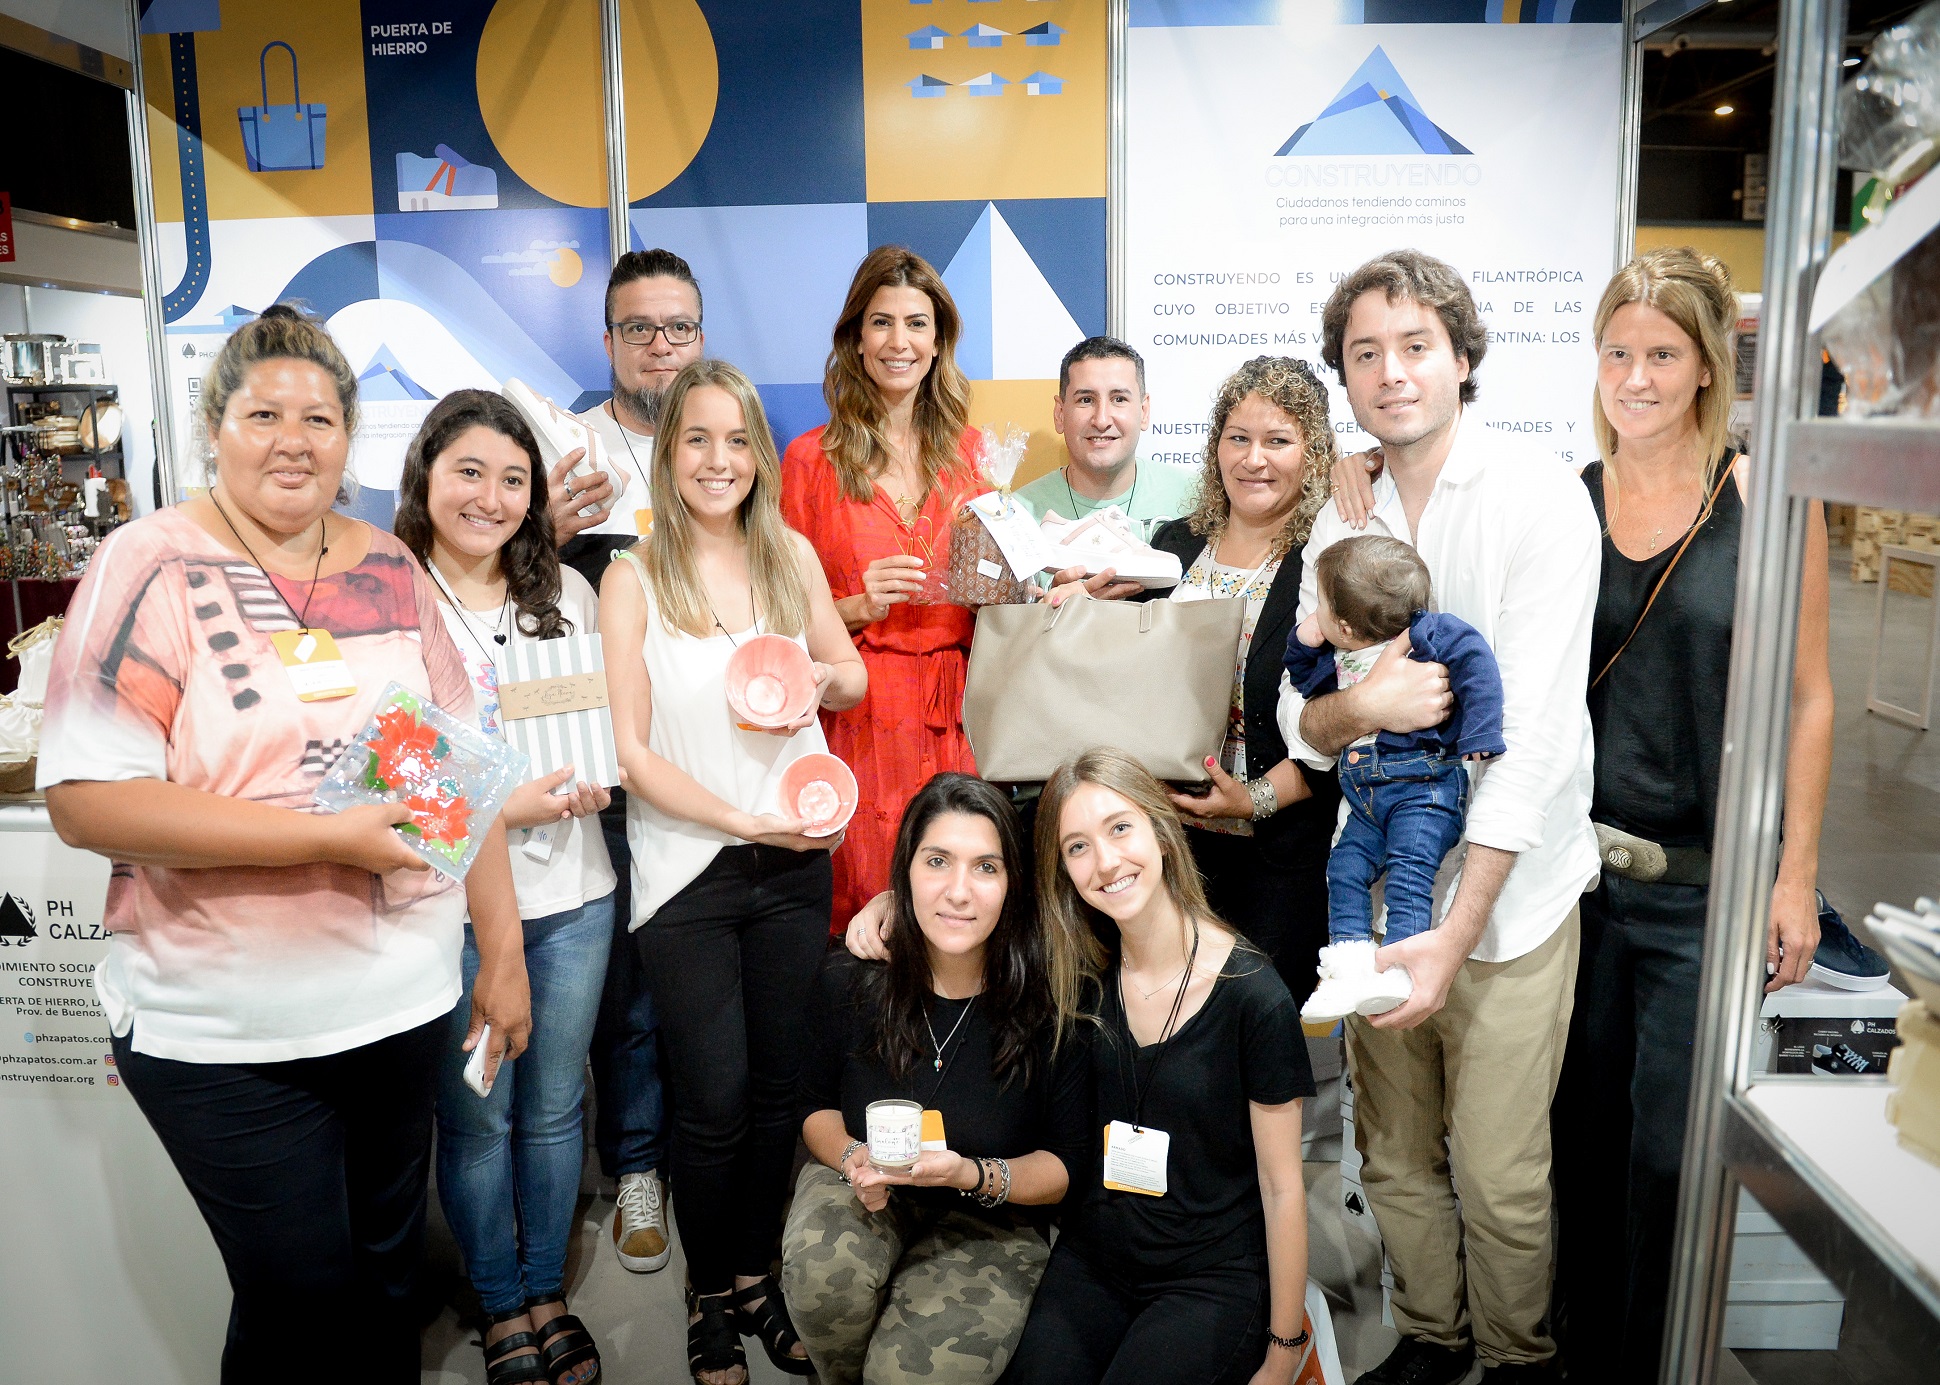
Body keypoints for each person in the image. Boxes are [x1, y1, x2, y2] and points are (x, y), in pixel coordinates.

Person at [35, 305, 531, 1384]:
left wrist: (500, 950)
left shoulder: (391, 568)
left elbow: (459, 773)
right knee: (298, 1303)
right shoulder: (150, 564)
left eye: (318, 415)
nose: (292, 437)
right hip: (226, 1032)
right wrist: (329, 835)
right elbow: (86, 799)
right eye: (263, 412)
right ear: (217, 424)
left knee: (392, 1279)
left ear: (351, 437)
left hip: (399, 1005)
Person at [1279, 250, 1600, 1385]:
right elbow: (1294, 713)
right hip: (1375, 895)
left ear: (1461, 359)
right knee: (1394, 1150)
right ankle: (1428, 1336)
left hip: (1503, 906)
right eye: (1363, 352)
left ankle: (1516, 1356)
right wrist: (1356, 704)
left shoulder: (1538, 497)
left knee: (1501, 1170)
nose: (1391, 371)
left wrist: (1452, 934)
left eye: (1415, 345)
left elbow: (1532, 741)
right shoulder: (1338, 510)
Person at [601, 358, 867, 1385]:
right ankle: (706, 1289)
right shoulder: (633, 574)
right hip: (687, 871)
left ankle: (755, 1272)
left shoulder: (788, 553)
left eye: (736, 439)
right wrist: (735, 816)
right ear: (668, 454)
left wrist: (814, 670)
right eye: (695, 439)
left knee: (775, 1092)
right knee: (709, 1098)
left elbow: (846, 671)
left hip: (794, 854)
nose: (718, 459)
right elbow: (631, 751)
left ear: (758, 451)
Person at [395, 390, 618, 1385]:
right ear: (426, 478)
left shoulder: (566, 592)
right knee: (477, 1111)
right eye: (469, 472)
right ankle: (497, 1301)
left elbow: (595, 718)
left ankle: (544, 1289)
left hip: (574, 894)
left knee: (556, 1104)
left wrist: (598, 772)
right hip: (448, 913)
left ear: (536, 496)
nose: (490, 496)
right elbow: (390, 774)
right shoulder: (387, 597)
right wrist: (504, 808)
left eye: (513, 478)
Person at [1001, 747, 1313, 1385]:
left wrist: (1282, 1351)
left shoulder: (1254, 996)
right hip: (1097, 1260)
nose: (1107, 861)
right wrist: (884, 907)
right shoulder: (1083, 976)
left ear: (1162, 833)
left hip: (1211, 1277)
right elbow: (968, 922)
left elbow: (1284, 1191)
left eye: (1120, 828)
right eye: (1077, 847)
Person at [781, 772, 1096, 1384]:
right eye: (937, 862)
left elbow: (1065, 1165)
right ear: (905, 873)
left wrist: (967, 1174)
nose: (958, 891)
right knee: (825, 1282)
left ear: (1013, 884)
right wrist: (852, 1157)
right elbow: (813, 1106)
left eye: (985, 867)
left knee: (910, 1375)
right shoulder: (851, 979)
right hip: (867, 1183)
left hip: (991, 1213)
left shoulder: (1053, 1002)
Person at [1106, 356, 1343, 1009]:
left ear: (1315, 451)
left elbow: (1348, 721)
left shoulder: (1327, 563)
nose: (1253, 458)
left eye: (1278, 440)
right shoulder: (1174, 544)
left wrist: (1255, 799)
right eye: (1237, 437)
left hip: (1279, 860)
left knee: (1260, 1044)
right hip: (1168, 849)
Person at [556, 248, 703, 1274]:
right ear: (607, 340)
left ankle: (719, 1164)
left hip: (709, 762)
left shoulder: (725, 441)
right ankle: (637, 1164)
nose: (658, 345)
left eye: (677, 328)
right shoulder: (560, 449)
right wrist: (543, 529)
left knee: (707, 976)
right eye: (638, 328)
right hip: (605, 768)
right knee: (629, 989)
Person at [781, 245, 985, 934]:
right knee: (859, 922)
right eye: (882, 322)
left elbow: (1001, 605)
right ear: (856, 341)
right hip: (854, 719)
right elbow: (773, 623)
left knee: (955, 914)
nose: (900, 341)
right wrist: (857, 606)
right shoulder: (810, 460)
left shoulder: (977, 457)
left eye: (918, 323)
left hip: (955, 715)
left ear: (939, 342)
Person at [1284, 535, 1504, 1024]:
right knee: (1344, 868)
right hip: (1364, 799)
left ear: (1343, 623)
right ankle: (1350, 963)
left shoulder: (1430, 634)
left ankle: (1403, 966)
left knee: (1409, 873)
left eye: (1317, 605)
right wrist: (1303, 642)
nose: (1311, 613)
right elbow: (1303, 685)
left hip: (1423, 792)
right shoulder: (1340, 656)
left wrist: (1480, 734)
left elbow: (1477, 664)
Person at [1012, 336, 1196, 542]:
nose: (1101, 420)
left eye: (1119, 399)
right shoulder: (1017, 517)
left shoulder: (1196, 499)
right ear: (1060, 414)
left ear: (1144, 411)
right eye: (1086, 400)